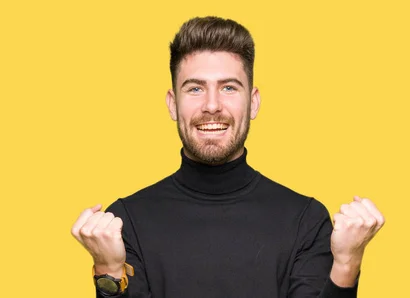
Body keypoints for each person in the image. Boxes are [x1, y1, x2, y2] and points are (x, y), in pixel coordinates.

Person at [71, 16, 385, 298]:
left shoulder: (306, 221)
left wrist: (347, 264)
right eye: (194, 88)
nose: (211, 106)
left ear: (254, 103)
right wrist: (108, 270)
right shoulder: (126, 223)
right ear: (172, 104)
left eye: (229, 88)